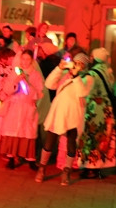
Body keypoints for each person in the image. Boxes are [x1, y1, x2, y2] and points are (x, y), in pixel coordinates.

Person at [36, 52, 93, 186]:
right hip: (59, 113)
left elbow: (82, 92)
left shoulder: (87, 78)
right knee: (50, 141)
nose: (76, 65)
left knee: (71, 143)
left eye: (80, 64)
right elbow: (49, 84)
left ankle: (66, 171)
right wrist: (59, 69)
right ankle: (42, 168)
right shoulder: (64, 74)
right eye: (75, 62)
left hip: (74, 115)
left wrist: (75, 76)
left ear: (84, 66)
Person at [0, 50, 44, 169]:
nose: (25, 62)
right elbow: (7, 90)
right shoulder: (15, 73)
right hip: (15, 106)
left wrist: (27, 85)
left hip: (28, 107)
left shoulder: (35, 74)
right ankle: (12, 157)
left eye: (27, 59)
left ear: (31, 61)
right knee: (13, 131)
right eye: (23, 59)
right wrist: (15, 82)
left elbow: (39, 93)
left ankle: (30, 159)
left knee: (27, 131)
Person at [78, 48, 116, 179]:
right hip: (106, 108)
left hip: (94, 108)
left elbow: (84, 91)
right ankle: (98, 166)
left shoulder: (92, 74)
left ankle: (91, 167)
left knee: (92, 135)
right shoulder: (108, 72)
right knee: (103, 135)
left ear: (93, 58)